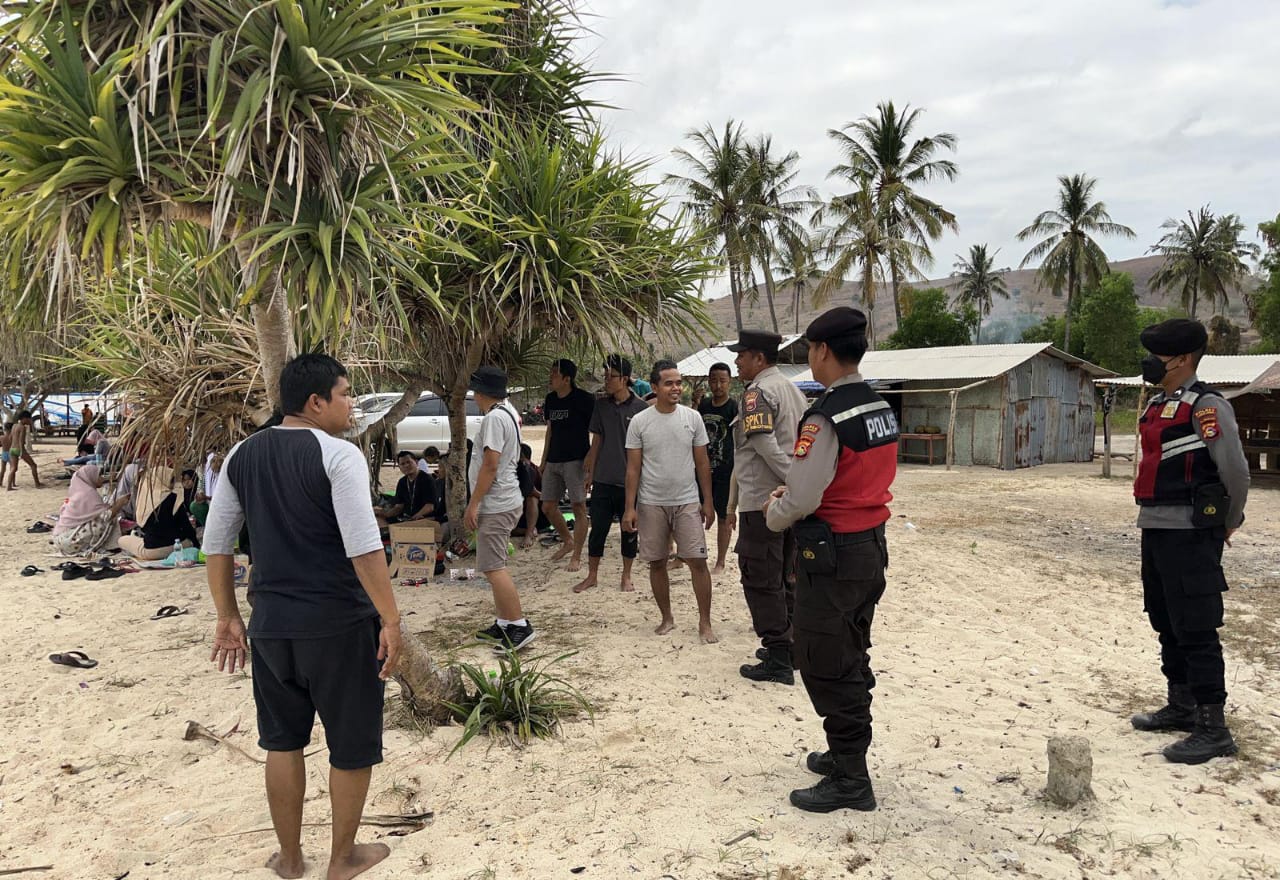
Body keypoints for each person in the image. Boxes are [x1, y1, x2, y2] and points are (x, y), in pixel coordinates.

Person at [203, 353, 402, 880]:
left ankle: (291, 859)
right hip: (338, 625)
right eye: (345, 393)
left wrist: (228, 616)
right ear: (316, 402)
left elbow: (217, 545)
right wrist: (391, 618)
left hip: (270, 626)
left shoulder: (241, 455)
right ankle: (343, 858)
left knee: (282, 741)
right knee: (351, 745)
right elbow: (364, 548)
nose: (352, 403)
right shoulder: (339, 456)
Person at [764, 307, 898, 813]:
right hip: (869, 546)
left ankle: (851, 778)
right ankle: (846, 752)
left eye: (810, 351)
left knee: (823, 659)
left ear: (821, 351)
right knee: (851, 649)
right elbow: (851, 477)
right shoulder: (878, 406)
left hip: (834, 554)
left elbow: (800, 499)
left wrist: (775, 511)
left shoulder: (825, 416)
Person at [1130, 318, 1250, 764]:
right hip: (1156, 527)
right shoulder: (1161, 403)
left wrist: (1229, 522)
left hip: (1191, 533)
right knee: (1165, 619)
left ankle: (1213, 727)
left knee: (1197, 627)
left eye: (1157, 354)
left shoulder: (1207, 406)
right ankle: (1180, 705)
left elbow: (1235, 471)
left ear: (1180, 360)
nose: (1149, 362)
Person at [730, 329, 809, 686]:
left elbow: (763, 443)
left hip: (762, 499)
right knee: (785, 575)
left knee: (760, 576)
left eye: (741, 356)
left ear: (758, 358)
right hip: (787, 500)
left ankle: (777, 653)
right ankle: (790, 646)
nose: (737, 362)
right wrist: (797, 483)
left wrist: (791, 477)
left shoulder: (757, 393)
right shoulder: (793, 389)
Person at [622, 360, 717, 643]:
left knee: (698, 561)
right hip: (651, 503)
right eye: (669, 383)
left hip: (687, 501)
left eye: (678, 382)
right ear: (654, 387)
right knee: (657, 562)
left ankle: (705, 622)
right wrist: (630, 507)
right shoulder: (640, 422)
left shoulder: (692, 418)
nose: (676, 388)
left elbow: (702, 463)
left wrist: (708, 501)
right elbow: (633, 468)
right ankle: (667, 617)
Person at [465, 366, 536, 651]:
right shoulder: (508, 411)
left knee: (493, 567)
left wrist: (474, 503)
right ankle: (504, 623)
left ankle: (519, 625)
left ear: (481, 393)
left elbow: (490, 464)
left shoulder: (494, 418)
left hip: (496, 503)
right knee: (493, 565)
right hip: (505, 499)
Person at [574, 355, 648, 594]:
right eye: (605, 375)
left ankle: (626, 576)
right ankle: (592, 575)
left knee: (629, 532)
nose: (606, 380)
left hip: (630, 483)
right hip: (603, 480)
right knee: (598, 531)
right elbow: (597, 440)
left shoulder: (641, 408)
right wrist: (590, 474)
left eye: (611, 376)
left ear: (625, 379)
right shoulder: (601, 405)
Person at [540, 358, 594, 570]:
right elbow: (550, 430)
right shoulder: (550, 399)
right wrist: (543, 460)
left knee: (578, 506)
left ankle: (578, 555)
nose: (550, 377)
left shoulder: (584, 399)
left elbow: (596, 432)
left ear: (567, 378)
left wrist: (591, 462)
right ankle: (567, 541)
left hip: (576, 460)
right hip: (554, 460)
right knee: (548, 506)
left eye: (554, 373)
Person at [697, 362, 739, 575]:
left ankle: (721, 561)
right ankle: (691, 556)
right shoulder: (703, 406)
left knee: (723, 516)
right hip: (702, 469)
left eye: (722, 380)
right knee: (694, 514)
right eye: (714, 380)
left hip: (725, 469)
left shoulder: (734, 407)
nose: (718, 385)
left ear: (729, 381)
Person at [119, 469, 200, 560]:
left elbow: (143, 527)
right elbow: (187, 527)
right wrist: (196, 545)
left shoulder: (146, 500)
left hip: (153, 551)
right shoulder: (175, 497)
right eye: (171, 480)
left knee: (122, 540)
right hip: (179, 546)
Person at [50, 465, 127, 556]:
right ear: (91, 477)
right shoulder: (88, 494)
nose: (101, 478)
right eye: (99, 476)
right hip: (69, 541)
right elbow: (106, 516)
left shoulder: (78, 491)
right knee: (107, 520)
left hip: (60, 539)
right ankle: (106, 545)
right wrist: (120, 503)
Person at [375, 451, 438, 529]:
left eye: (409, 462)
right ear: (399, 467)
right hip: (406, 518)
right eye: (403, 464)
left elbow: (430, 507)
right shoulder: (402, 482)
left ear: (416, 462)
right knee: (378, 519)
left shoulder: (427, 480)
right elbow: (399, 507)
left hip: (423, 518)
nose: (406, 466)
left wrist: (413, 518)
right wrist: (384, 513)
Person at [513, 443, 548, 546]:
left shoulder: (531, 470)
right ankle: (527, 530)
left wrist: (533, 492)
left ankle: (528, 533)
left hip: (538, 512)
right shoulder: (515, 469)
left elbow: (544, 496)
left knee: (531, 498)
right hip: (519, 512)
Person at [5, 410, 43, 490]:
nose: (30, 421)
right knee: (33, 465)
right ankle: (37, 484)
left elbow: (10, 438)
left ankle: (9, 486)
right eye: (29, 419)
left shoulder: (14, 426)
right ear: (24, 419)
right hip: (19, 449)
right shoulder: (22, 427)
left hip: (12, 449)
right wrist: (22, 452)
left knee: (13, 468)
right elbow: (21, 441)